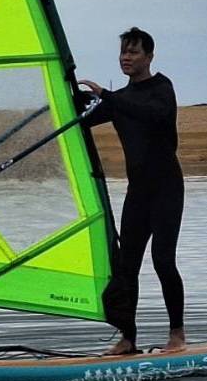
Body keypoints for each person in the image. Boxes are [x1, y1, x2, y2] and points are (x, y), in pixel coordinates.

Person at [77, 27, 186, 354]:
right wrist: (70, 92)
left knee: (163, 261)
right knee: (127, 267)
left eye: (134, 52)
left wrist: (107, 96)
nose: (126, 57)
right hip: (137, 192)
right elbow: (84, 118)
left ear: (149, 57)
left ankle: (177, 336)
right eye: (123, 52)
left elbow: (154, 115)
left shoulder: (162, 89)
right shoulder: (120, 100)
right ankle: (128, 338)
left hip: (166, 188)